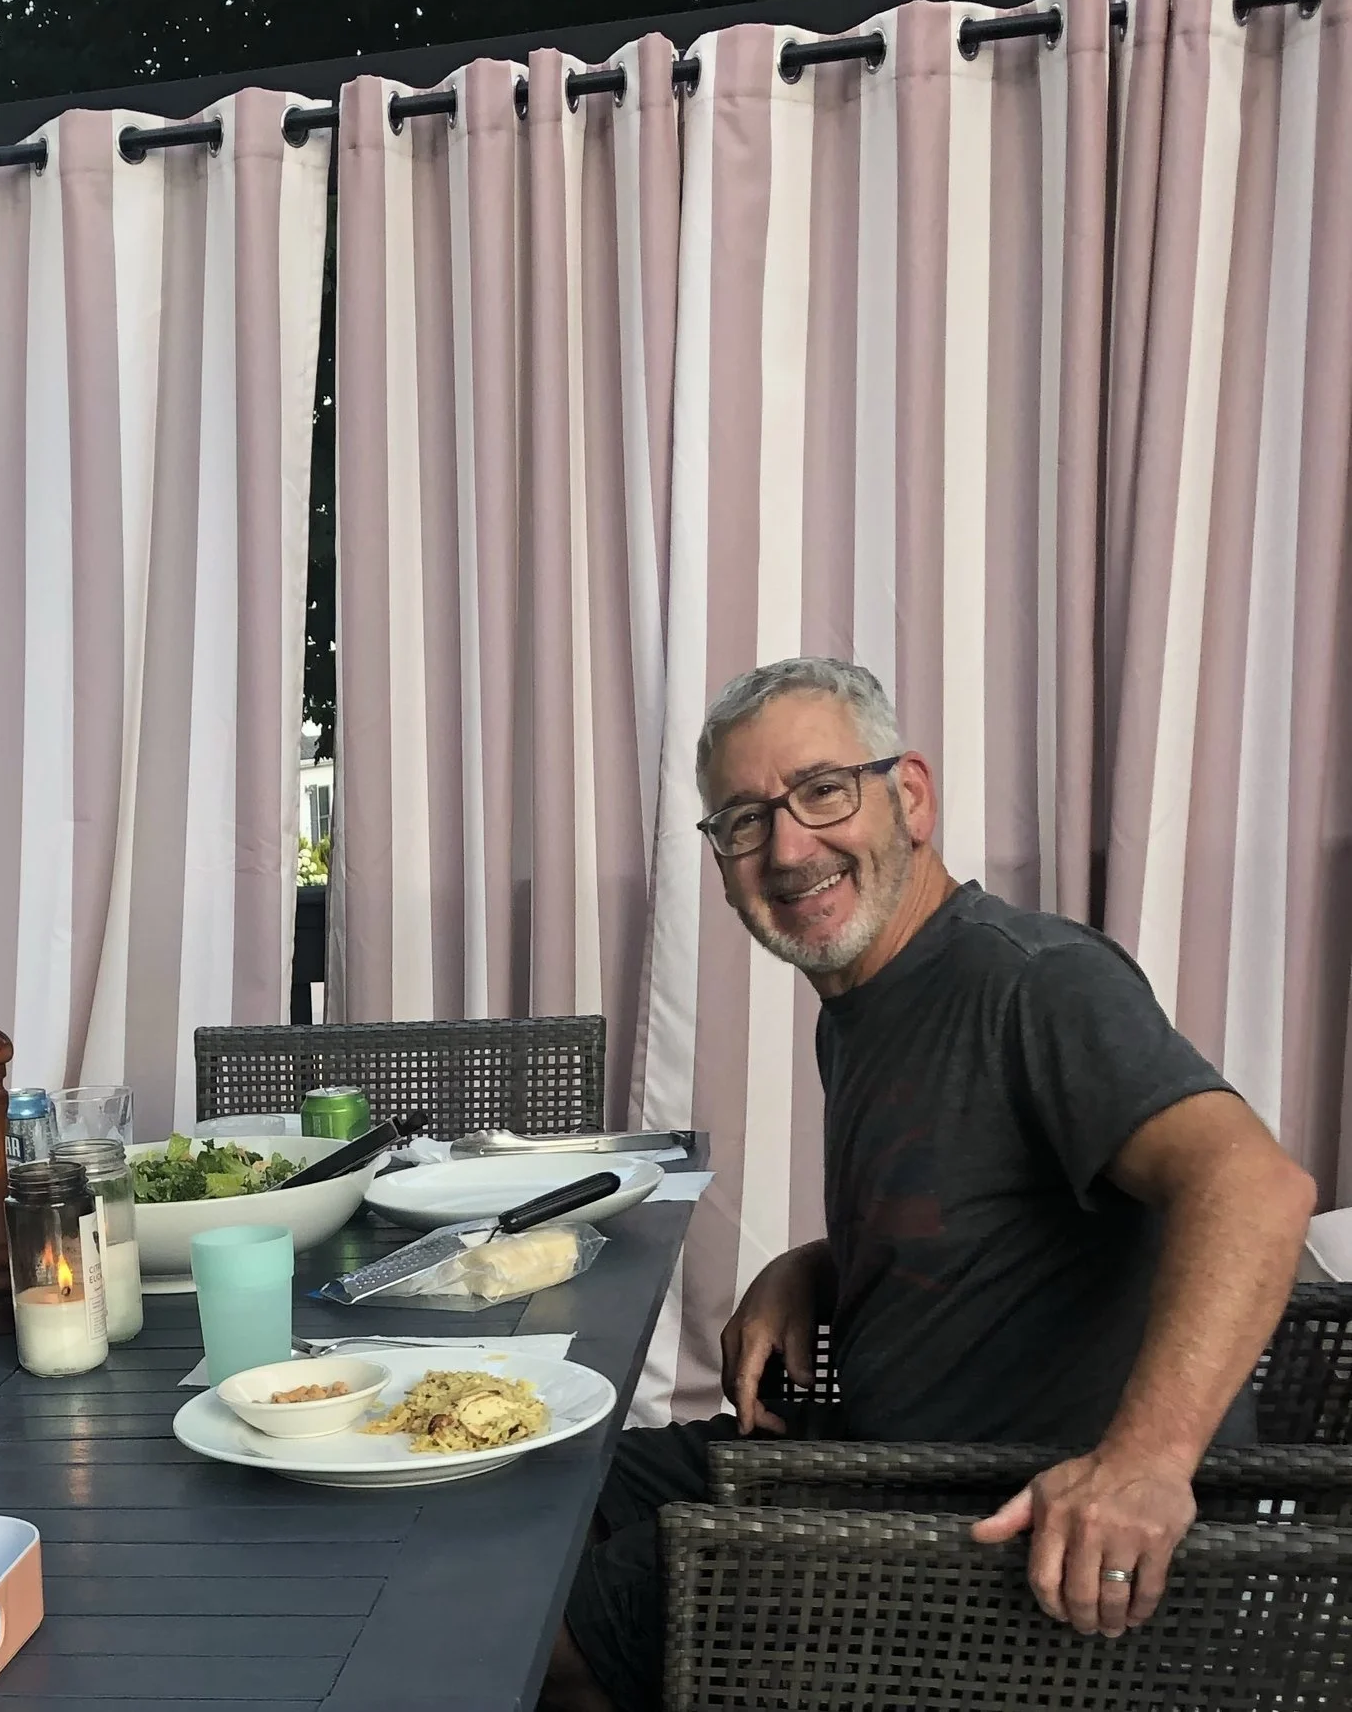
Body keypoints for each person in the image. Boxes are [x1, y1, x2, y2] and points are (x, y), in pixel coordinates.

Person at [540, 657, 1315, 1712]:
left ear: (908, 793)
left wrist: (1143, 1462)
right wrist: (813, 1260)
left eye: (821, 790)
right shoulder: (865, 996)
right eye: (741, 819)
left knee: (549, 1644)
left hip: (981, 1539)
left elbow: (1253, 1185)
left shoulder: (1032, 981)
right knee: (549, 1493)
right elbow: (975, 1204)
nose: (787, 847)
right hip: (870, 1456)